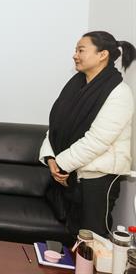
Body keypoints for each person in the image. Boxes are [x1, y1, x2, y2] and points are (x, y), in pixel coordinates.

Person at [39, 31, 135, 236]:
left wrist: (61, 164)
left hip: (96, 181)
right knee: (71, 238)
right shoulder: (75, 86)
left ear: (102, 55)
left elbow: (97, 140)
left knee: (92, 242)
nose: (75, 55)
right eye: (75, 50)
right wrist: (51, 159)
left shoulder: (119, 92)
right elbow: (55, 126)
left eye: (81, 50)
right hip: (70, 175)